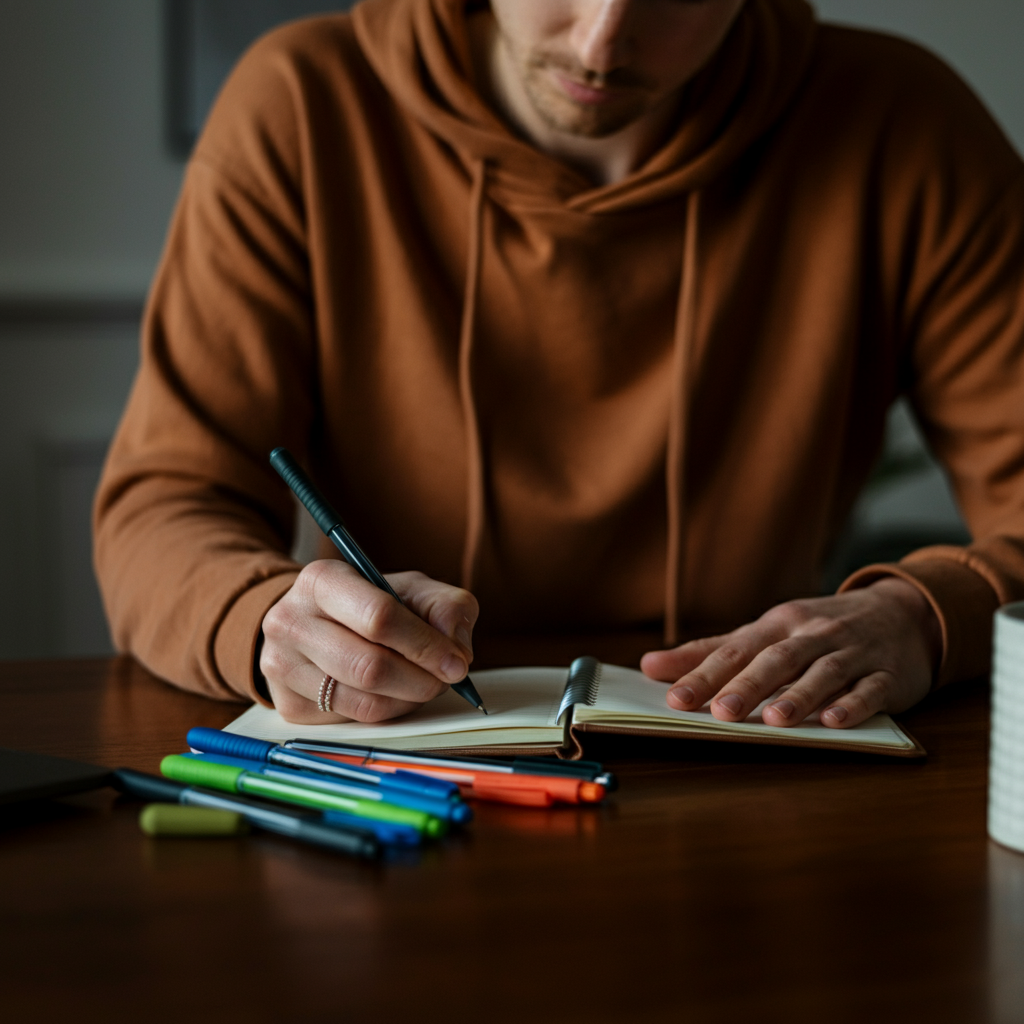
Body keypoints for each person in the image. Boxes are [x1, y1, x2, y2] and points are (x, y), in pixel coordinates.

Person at [94, 0, 1024, 729]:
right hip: (414, 762)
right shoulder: (299, 104)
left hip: (754, 750)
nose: (603, 41)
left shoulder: (906, 126)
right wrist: (266, 624)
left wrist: (927, 616)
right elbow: (163, 507)